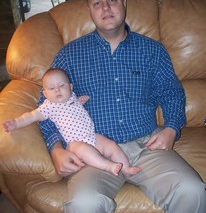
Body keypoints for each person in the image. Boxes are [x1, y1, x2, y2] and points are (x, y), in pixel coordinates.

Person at [38, 0, 206, 213]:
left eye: (112, 0)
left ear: (124, 3)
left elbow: (172, 92)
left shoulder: (152, 50)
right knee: (82, 206)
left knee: (193, 190)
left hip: (147, 146)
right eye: (97, 3)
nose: (106, 8)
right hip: (94, 152)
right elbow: (45, 107)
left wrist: (172, 127)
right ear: (90, 10)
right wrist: (56, 149)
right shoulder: (69, 55)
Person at [2, 68, 140, 177]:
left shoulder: (72, 97)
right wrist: (16, 122)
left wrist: (80, 101)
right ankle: (108, 166)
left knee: (111, 145)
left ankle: (126, 168)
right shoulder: (48, 107)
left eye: (62, 85)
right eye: (51, 88)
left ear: (70, 87)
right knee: (86, 151)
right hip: (74, 144)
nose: (57, 90)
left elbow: (74, 108)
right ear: (44, 93)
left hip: (91, 135)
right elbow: (30, 116)